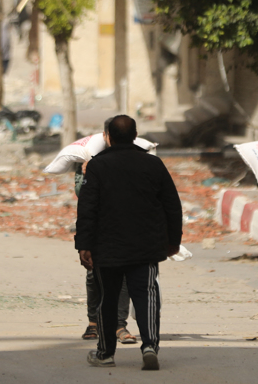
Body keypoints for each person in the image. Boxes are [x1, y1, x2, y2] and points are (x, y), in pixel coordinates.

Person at [76, 115, 182, 370]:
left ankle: (105, 353)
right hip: (145, 247)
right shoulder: (153, 165)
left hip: (107, 247)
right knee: (146, 295)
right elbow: (172, 205)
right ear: (135, 136)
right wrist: (173, 241)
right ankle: (149, 346)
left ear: (108, 137)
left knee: (108, 299)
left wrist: (84, 245)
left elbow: (87, 209)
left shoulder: (98, 167)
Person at [76, 122, 135, 345]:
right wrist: (85, 174)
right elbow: (82, 196)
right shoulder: (87, 157)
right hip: (98, 228)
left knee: (124, 278)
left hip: (125, 226)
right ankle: (94, 322)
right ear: (104, 136)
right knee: (94, 276)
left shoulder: (134, 158)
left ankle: (119, 325)